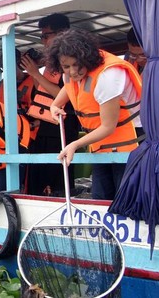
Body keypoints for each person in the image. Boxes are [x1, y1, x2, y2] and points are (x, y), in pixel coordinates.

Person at [48, 28, 142, 200]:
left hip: (131, 143)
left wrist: (74, 145)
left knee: (127, 199)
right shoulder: (69, 74)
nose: (73, 71)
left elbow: (108, 126)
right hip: (100, 144)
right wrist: (54, 105)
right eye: (66, 66)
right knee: (101, 198)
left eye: (77, 64)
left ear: (87, 58)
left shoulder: (109, 75)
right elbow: (68, 88)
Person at [19, 13, 80, 196]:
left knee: (57, 176)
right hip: (46, 126)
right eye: (42, 36)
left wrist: (35, 74)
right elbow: (43, 92)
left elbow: (66, 94)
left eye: (46, 35)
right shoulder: (51, 62)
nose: (43, 40)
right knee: (38, 174)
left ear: (61, 33)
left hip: (63, 125)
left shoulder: (72, 60)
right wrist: (36, 72)